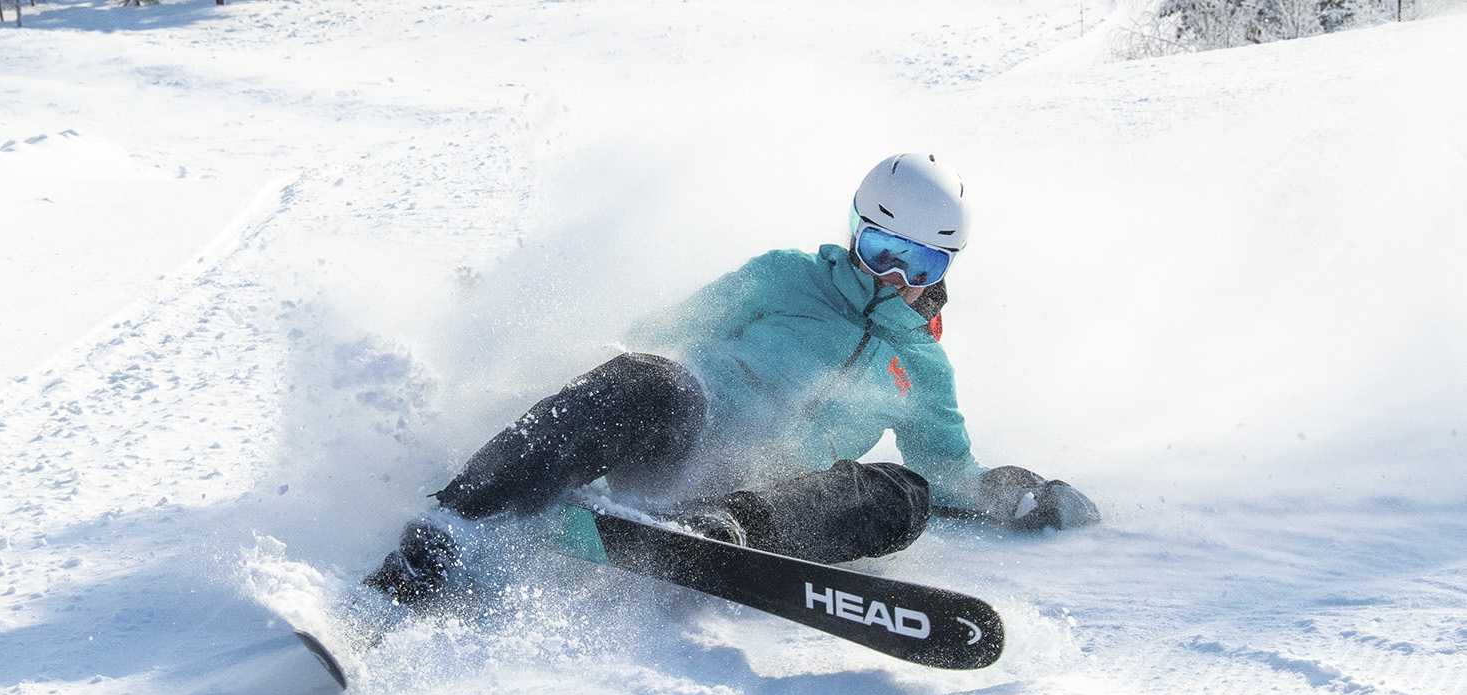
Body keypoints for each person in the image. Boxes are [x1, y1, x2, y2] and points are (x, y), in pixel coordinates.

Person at [364, 153, 1098, 604]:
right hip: (690, 427)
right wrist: (537, 347)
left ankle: (710, 536)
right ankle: (450, 527)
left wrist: (1027, 496)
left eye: (921, 265)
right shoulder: (786, 278)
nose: (895, 276)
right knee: (653, 380)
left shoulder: (925, 370)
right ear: (853, 231)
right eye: (880, 248)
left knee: (905, 493)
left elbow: (953, 471)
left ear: (945, 271)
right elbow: (663, 327)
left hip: (759, 498)